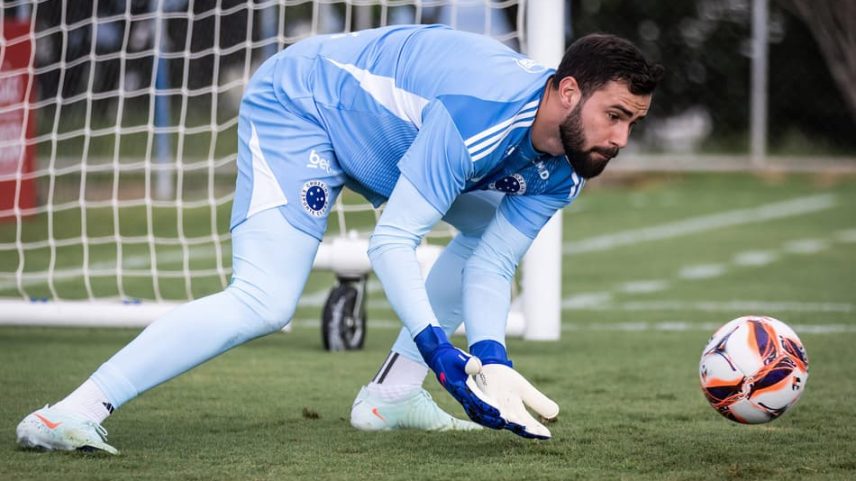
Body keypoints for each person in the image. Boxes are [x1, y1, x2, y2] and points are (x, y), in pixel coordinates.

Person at [16, 25, 662, 453]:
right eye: (614, 116)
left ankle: (390, 397)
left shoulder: (568, 168)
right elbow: (392, 242)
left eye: (632, 123)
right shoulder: (479, 116)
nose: (620, 140)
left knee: (481, 232)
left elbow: (492, 263)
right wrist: (440, 350)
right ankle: (68, 412)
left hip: (390, 141)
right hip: (306, 107)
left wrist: (493, 360)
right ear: (567, 91)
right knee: (264, 299)